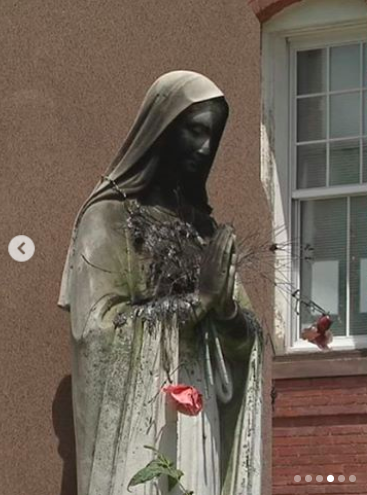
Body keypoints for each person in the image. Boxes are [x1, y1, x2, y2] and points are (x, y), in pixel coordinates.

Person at [58, 70, 263, 495]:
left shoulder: (204, 231)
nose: (205, 147)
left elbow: (246, 339)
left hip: (199, 411)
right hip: (142, 416)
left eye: (214, 136)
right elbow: (97, 330)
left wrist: (225, 310)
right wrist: (197, 303)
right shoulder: (107, 219)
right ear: (163, 130)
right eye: (195, 131)